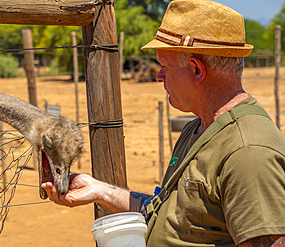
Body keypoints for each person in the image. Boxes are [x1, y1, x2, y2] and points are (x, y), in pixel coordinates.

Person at [42, 0, 285, 246]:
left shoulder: (248, 151)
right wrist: (101, 191)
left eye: (165, 66)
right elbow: (167, 212)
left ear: (196, 70)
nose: (159, 76)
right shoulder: (199, 128)